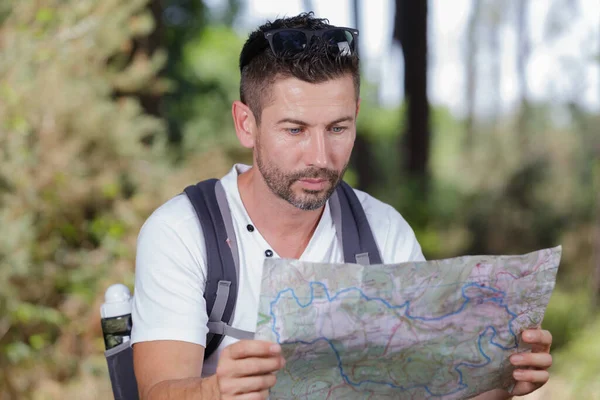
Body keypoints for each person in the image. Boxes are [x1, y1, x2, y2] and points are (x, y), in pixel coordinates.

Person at [131, 12, 553, 400]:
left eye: (337, 128)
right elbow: (158, 391)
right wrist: (216, 390)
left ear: (356, 115)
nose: (319, 156)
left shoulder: (383, 231)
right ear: (246, 123)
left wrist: (497, 380)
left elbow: (424, 386)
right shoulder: (182, 231)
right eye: (295, 130)